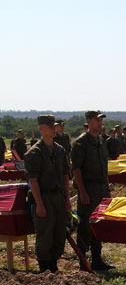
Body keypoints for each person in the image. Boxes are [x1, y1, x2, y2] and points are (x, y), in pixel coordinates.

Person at [24, 115, 70, 273]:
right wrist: (40, 204)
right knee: (45, 235)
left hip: (58, 197)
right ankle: (44, 269)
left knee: (59, 233)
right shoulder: (34, 153)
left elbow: (65, 176)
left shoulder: (60, 150)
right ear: (41, 129)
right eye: (50, 126)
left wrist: (67, 198)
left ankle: (53, 266)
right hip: (43, 197)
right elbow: (33, 180)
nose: (53, 129)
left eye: (54, 126)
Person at [71, 110, 114, 270]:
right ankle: (83, 261)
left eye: (101, 120)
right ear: (89, 121)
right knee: (85, 225)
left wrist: (107, 188)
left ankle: (97, 259)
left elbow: (104, 166)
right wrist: (82, 191)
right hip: (88, 188)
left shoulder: (101, 141)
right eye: (97, 120)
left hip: (101, 188)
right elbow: (76, 169)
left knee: (98, 223)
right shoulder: (81, 143)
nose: (100, 123)